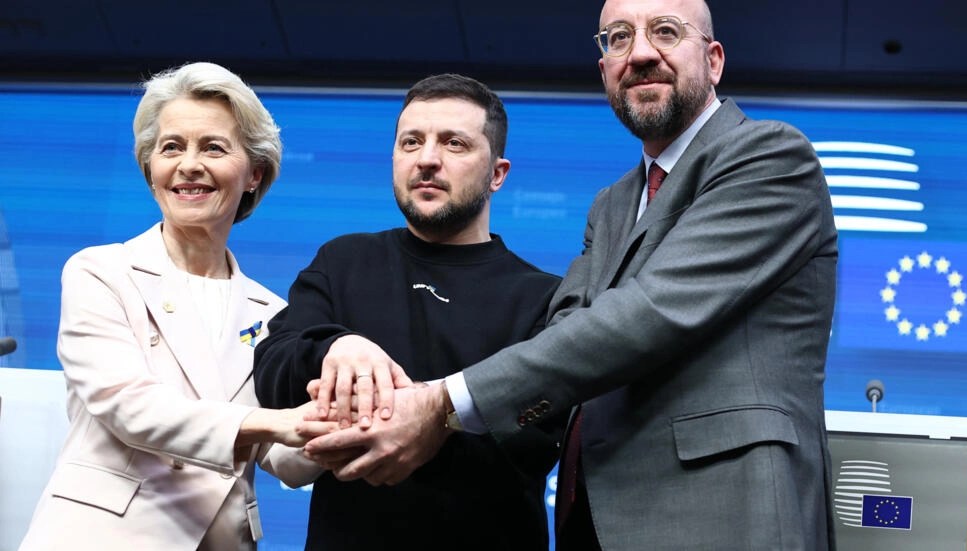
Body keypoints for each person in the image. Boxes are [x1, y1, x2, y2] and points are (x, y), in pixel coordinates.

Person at [300, 1, 839, 550]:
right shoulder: (612, 204)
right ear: (605, 69)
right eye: (618, 38)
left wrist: (441, 404)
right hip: (599, 519)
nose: (640, 53)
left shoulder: (769, 156)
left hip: (724, 514)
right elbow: (565, 328)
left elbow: (649, 313)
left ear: (714, 60)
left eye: (665, 32)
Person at [252, 73, 563, 550]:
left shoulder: (543, 297)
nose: (427, 159)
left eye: (454, 143)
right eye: (411, 142)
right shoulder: (342, 261)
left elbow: (537, 438)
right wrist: (335, 347)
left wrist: (433, 416)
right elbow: (273, 372)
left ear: (497, 174)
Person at [19, 62, 320, 551]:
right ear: (151, 169)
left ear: (254, 174)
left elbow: (280, 458)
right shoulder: (101, 271)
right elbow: (130, 407)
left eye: (213, 147)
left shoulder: (271, 313)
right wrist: (276, 422)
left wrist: (333, 426)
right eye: (171, 147)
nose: (188, 165)